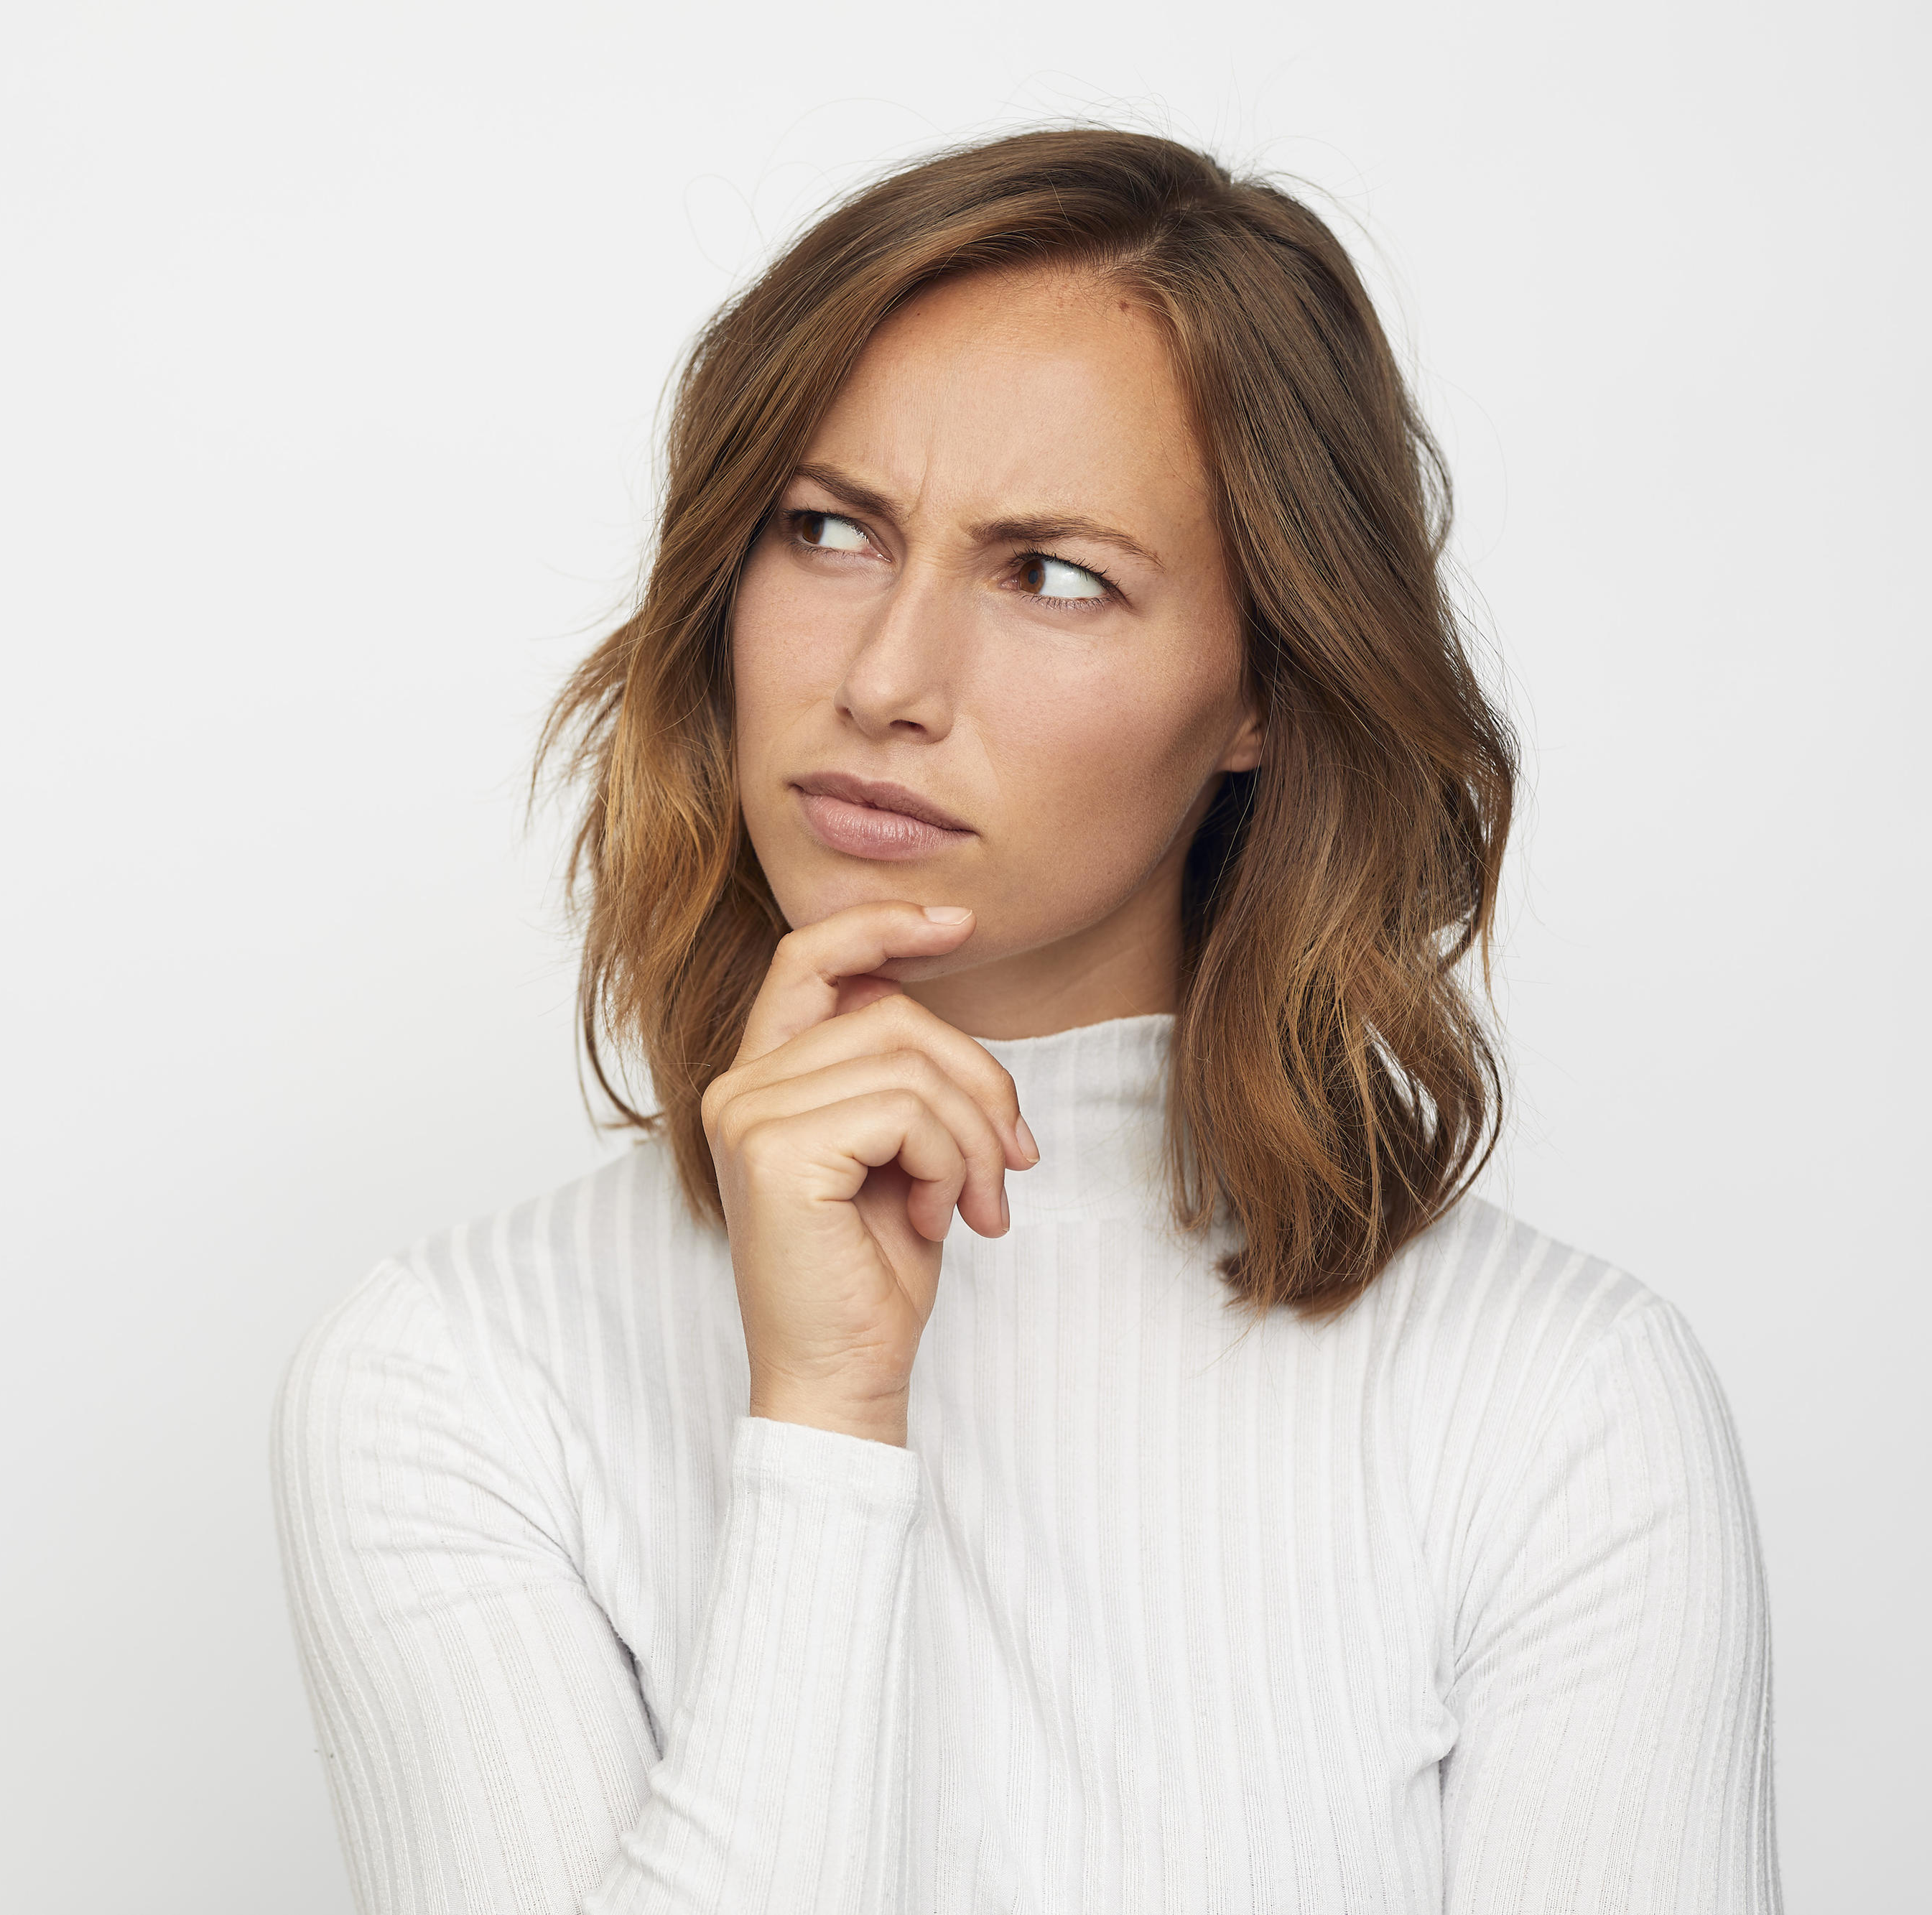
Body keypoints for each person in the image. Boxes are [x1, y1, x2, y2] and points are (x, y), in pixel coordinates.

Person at [267, 128, 1777, 1913]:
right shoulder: (455, 1382)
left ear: (1263, 693)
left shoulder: (1555, 1406)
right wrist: (822, 1421)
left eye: (1050, 573)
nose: (884, 682)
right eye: (826, 531)